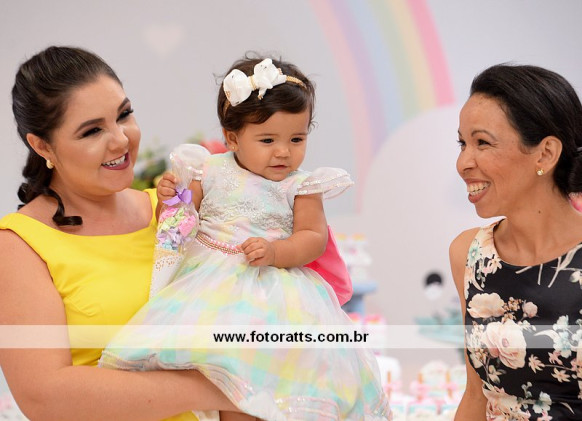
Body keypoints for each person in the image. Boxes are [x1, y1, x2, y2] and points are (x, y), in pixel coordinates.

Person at [99, 56, 391, 421]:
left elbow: (313, 237)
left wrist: (277, 251)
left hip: (276, 292)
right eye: (268, 140)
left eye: (297, 139)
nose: (284, 151)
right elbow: (179, 226)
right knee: (223, 376)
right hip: (210, 286)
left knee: (283, 374)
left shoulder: (301, 186)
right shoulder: (207, 170)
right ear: (232, 138)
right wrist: (171, 200)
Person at [0, 45, 241, 421]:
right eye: (92, 131)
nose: (121, 140)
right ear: (42, 145)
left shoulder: (173, 209)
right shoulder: (19, 245)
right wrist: (229, 386)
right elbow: (43, 395)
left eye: (124, 115)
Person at [451, 63, 582, 420]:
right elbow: (476, 397)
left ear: (545, 154)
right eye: (462, 143)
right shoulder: (469, 254)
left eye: (482, 142)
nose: (463, 163)